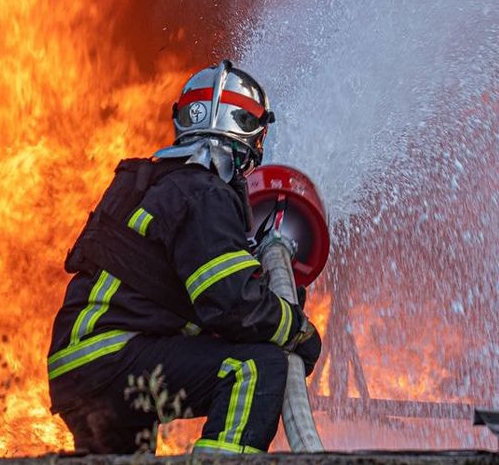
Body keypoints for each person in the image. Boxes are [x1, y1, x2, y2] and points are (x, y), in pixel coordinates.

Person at [46, 60, 321, 454]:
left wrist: (268, 300)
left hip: (83, 370)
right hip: (114, 360)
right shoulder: (205, 193)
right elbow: (233, 306)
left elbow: (209, 308)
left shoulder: (163, 185)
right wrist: (296, 329)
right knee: (254, 367)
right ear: (246, 131)